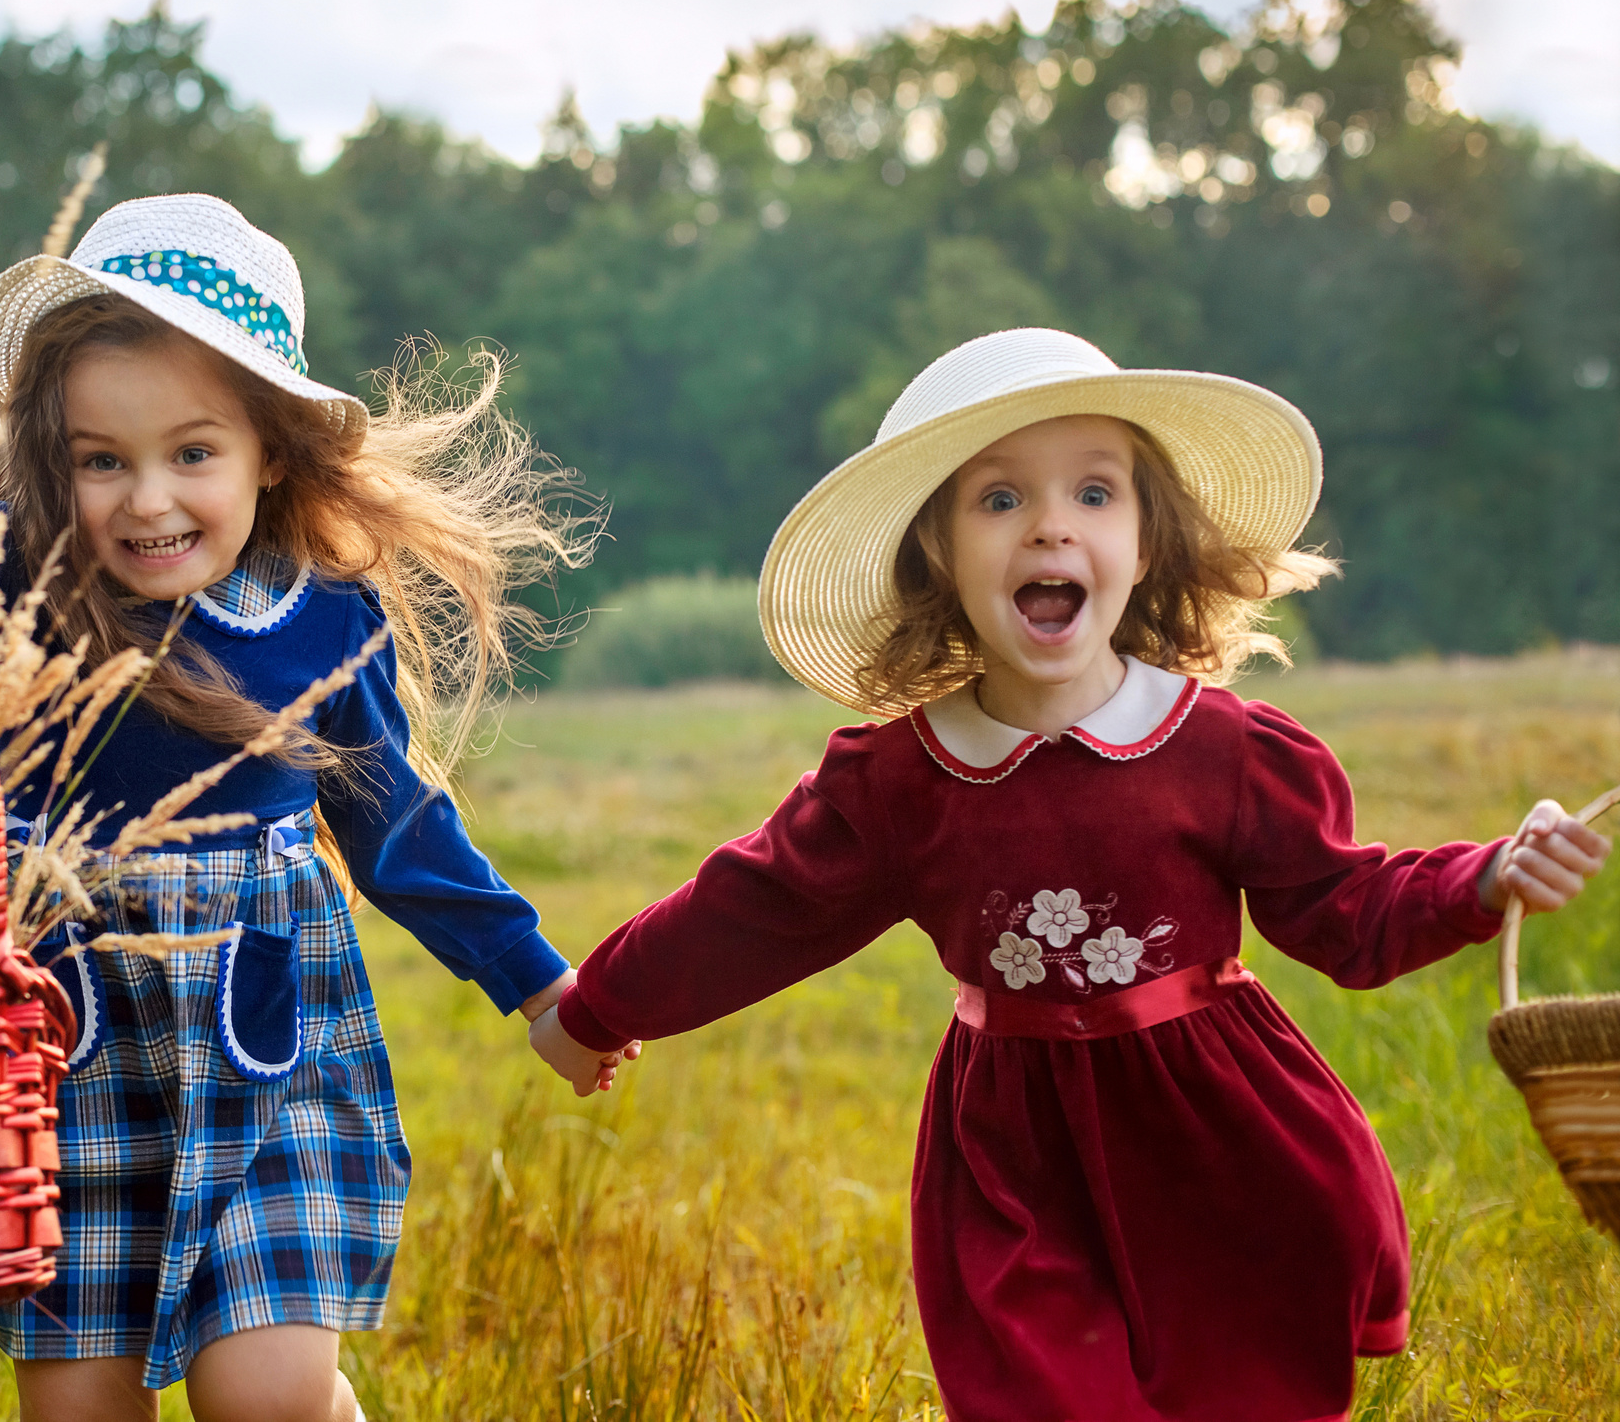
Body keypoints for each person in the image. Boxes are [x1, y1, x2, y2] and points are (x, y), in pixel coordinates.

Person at [529, 327, 1609, 1422]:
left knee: (1240, 1391)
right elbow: (751, 908)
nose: (1050, 522)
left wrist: (1484, 878)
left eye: (1094, 493)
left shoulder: (1223, 750)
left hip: (1218, 1141)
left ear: (1144, 544)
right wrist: (599, 1007)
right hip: (1012, 1164)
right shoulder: (900, 779)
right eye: (999, 501)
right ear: (939, 553)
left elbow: (1345, 910)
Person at [0, 193, 601, 1422]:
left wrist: (538, 982)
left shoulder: (318, 616)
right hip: (71, 1054)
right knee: (77, 1405)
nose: (147, 501)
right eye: (103, 460)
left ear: (271, 453)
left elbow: (396, 821)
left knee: (269, 1393)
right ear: (55, 460)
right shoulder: (5, 582)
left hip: (268, 1048)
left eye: (193, 453)